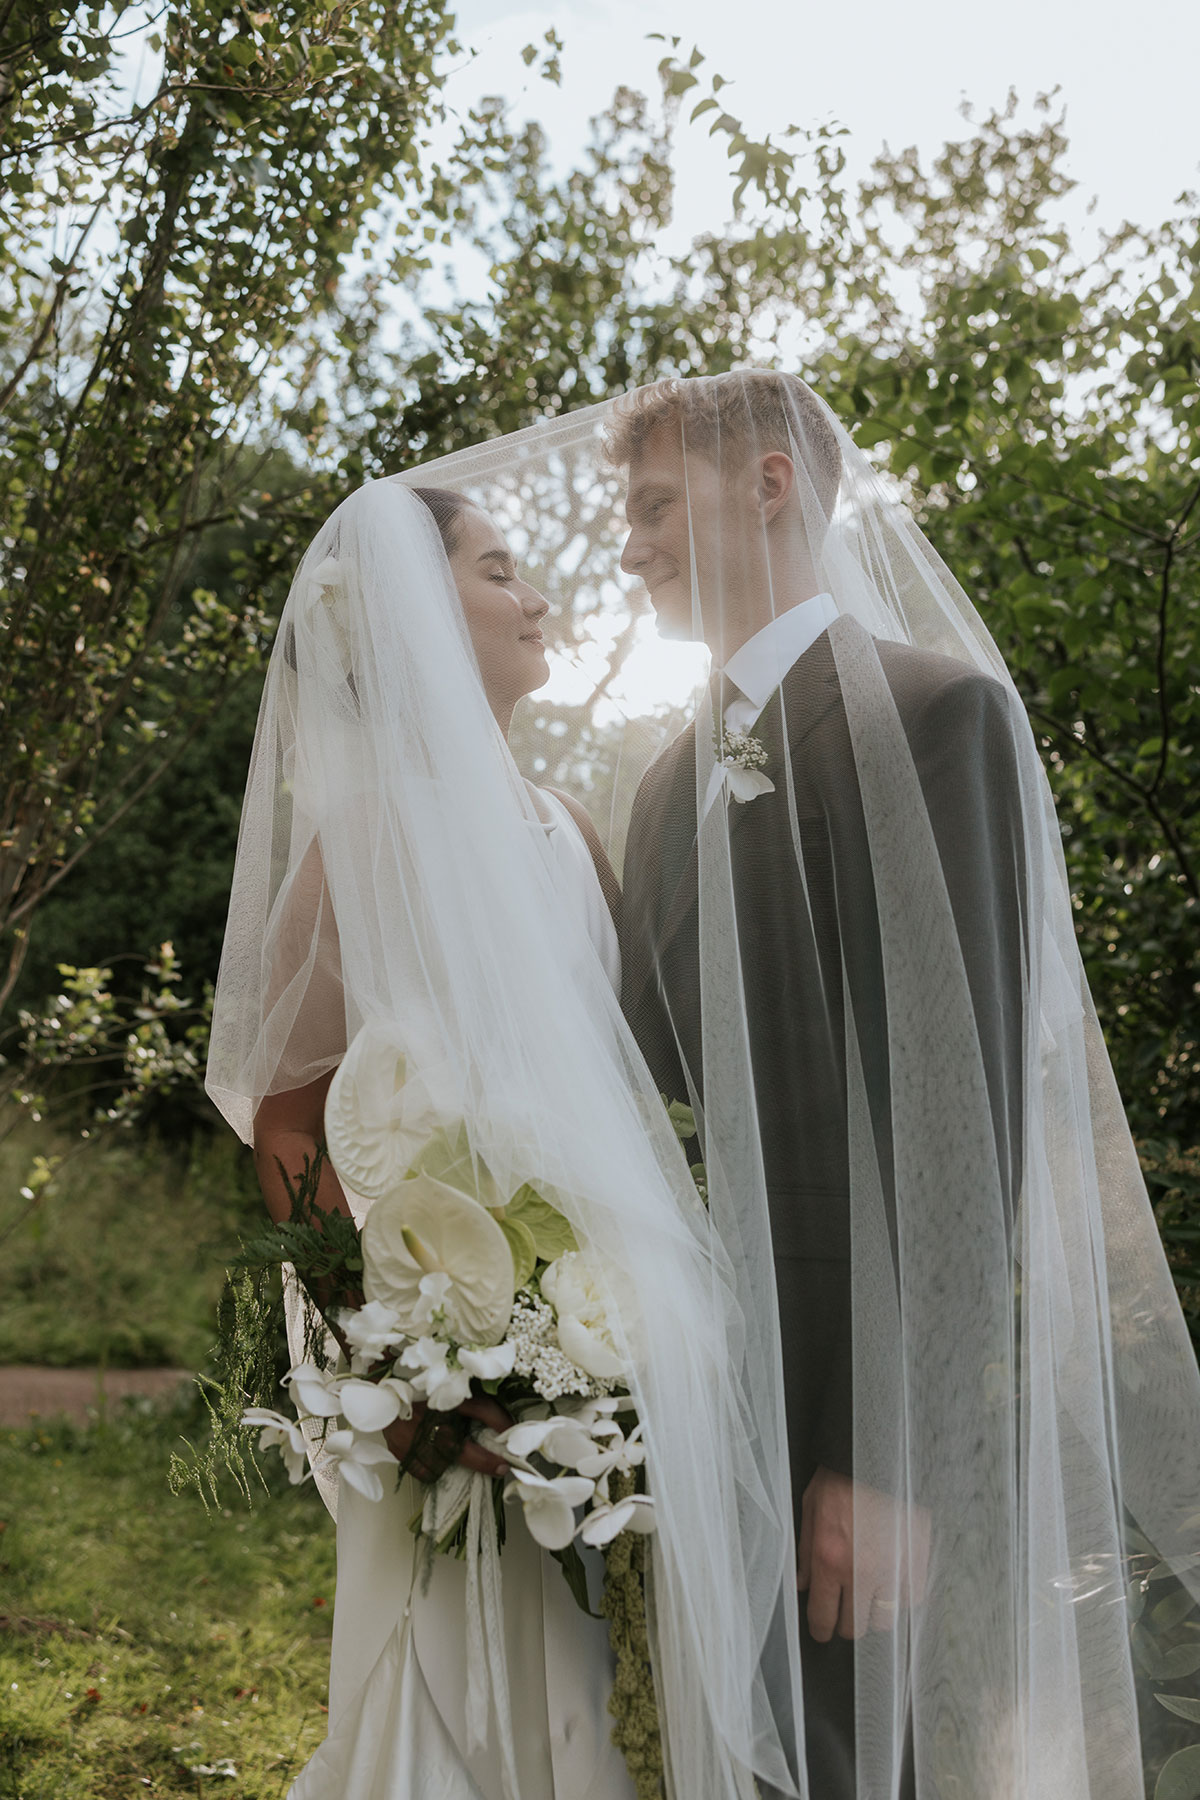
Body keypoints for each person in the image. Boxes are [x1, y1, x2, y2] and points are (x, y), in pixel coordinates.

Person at [605, 370, 1200, 1799]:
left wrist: (891, 1454)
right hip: (701, 1389)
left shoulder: (939, 718)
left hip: (860, 1381)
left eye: (652, 507)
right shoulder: (659, 782)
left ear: (769, 484)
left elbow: (962, 1112)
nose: (628, 549)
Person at [205, 474, 808, 1800]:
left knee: (581, 1684)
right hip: (441, 1360)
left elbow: (629, 1092)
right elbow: (289, 1117)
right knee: (451, 1682)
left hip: (582, 1353)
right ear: (421, 615)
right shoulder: (358, 843)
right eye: (500, 572)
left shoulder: (571, 828)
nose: (539, 598)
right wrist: (406, 1355)